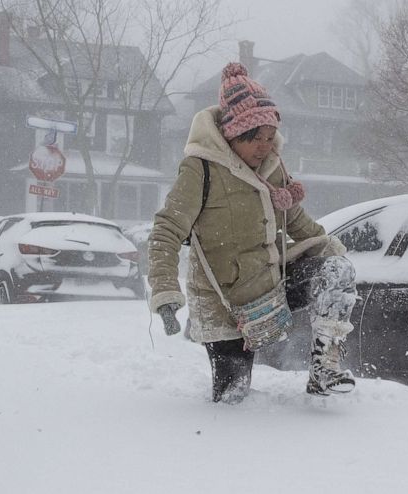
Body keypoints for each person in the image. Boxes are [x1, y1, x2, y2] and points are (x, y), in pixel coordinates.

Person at [147, 62, 358, 404]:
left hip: (271, 286)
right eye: (255, 138)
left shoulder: (272, 168)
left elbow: (298, 222)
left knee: (336, 269)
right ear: (233, 135)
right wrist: (166, 292)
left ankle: (325, 369)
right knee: (233, 398)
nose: (265, 146)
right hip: (224, 302)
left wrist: (335, 251)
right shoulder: (200, 168)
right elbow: (166, 230)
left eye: (269, 137)